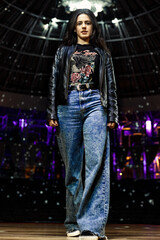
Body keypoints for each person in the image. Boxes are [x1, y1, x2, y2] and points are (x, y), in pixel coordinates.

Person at [47, 8, 118, 240]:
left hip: (95, 103)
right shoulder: (63, 51)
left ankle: (92, 226)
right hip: (67, 105)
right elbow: (53, 82)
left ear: (93, 26)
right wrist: (52, 111)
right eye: (80, 23)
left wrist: (113, 115)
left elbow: (111, 85)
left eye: (88, 22)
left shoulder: (102, 53)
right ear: (74, 27)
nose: (84, 26)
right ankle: (73, 222)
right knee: (73, 168)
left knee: (96, 164)